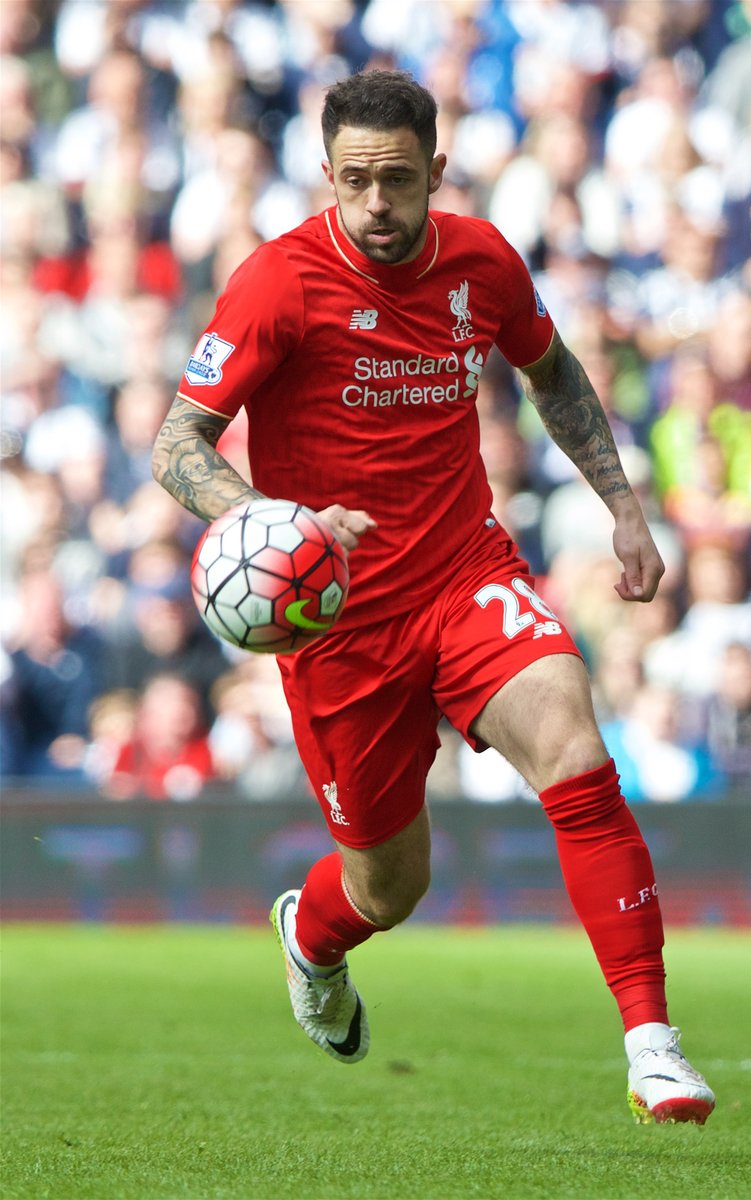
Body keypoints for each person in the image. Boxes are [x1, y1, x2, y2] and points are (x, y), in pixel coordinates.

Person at [152, 70, 714, 1126]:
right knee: (388, 888)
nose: (376, 203)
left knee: (575, 749)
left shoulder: (483, 260)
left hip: (465, 573)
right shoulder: (278, 283)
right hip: (340, 623)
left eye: (398, 181)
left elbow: (554, 373)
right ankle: (311, 936)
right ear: (327, 174)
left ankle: (653, 1045)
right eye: (355, 181)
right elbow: (178, 442)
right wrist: (274, 522)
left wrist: (623, 507)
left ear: (436, 172)